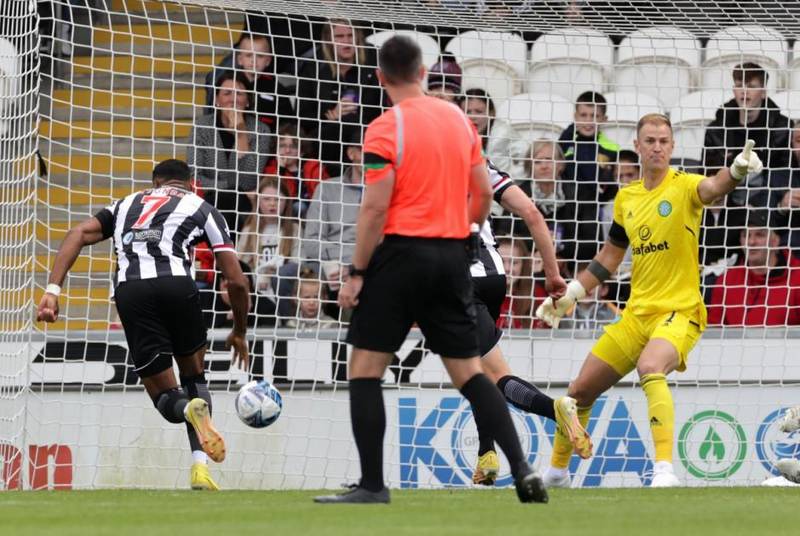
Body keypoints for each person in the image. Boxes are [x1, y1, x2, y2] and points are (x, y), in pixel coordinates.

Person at [313, 35, 547, 504]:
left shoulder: (383, 129)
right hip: (452, 257)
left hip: (401, 256)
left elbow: (375, 209)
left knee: (363, 368)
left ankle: (373, 486)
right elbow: (482, 192)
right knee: (471, 374)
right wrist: (467, 232)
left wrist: (358, 271)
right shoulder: (460, 122)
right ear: (422, 73)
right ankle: (522, 470)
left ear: (381, 79)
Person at [535, 114, 763, 488]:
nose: (657, 147)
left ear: (672, 147)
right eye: (650, 141)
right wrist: (572, 293)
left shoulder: (685, 186)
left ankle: (663, 470)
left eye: (664, 141)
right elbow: (609, 257)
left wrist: (736, 170)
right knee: (579, 391)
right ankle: (558, 472)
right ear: (638, 147)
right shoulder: (627, 198)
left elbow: (713, 187)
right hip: (636, 315)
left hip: (679, 311)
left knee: (650, 365)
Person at [36, 159, 251, 491]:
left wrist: (52, 290)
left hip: (132, 292)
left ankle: (185, 410)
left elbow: (77, 233)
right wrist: (239, 331)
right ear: (191, 184)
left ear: (154, 183)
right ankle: (200, 467)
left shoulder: (125, 204)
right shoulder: (201, 206)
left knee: (166, 397)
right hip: (179, 286)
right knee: (194, 376)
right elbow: (236, 281)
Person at [187, 71, 271, 235]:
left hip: (244, 204)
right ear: (217, 100)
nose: (233, 99)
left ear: (248, 100)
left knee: (236, 203)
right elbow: (195, 176)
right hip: (209, 199)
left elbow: (249, 181)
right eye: (227, 93)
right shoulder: (202, 127)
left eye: (239, 93)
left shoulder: (261, 131)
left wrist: (241, 133)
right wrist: (229, 187)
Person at [296, 18, 382, 176]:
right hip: (328, 140)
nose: (347, 42)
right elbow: (302, 116)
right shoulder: (313, 68)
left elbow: (385, 105)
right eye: (340, 37)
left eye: (351, 35)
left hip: (368, 136)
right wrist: (332, 115)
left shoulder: (375, 63)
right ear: (329, 40)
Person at [707, 210, 800, 326]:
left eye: (760, 235)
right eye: (746, 235)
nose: (751, 242)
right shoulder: (726, 281)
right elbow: (713, 331)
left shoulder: (797, 278)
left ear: (775, 241)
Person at [558, 91, 620, 260]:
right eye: (583, 115)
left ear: (603, 119)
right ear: (575, 117)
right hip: (568, 204)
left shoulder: (610, 148)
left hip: (594, 205)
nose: (588, 121)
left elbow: (610, 182)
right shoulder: (566, 140)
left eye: (594, 116)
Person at [703, 62, 790, 180]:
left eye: (751, 86)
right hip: (727, 193)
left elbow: (786, 175)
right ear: (734, 90)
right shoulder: (716, 130)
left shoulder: (782, 128)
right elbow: (705, 174)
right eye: (739, 86)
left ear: (763, 92)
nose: (744, 91)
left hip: (768, 195)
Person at [301, 128, 363, 291]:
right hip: (331, 262)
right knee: (290, 273)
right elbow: (312, 242)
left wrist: (353, 267)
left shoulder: (387, 191)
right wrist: (343, 262)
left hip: (371, 264)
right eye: (368, 151)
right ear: (351, 153)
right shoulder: (327, 189)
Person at [236, 176, 301, 321]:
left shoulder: (295, 230)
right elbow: (240, 264)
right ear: (258, 201)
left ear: (286, 202)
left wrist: (271, 273)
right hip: (256, 288)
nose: (272, 204)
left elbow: (297, 264)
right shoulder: (248, 230)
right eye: (266, 199)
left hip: (282, 287)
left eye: (278, 199)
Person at [204, 32, 295, 130]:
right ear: (239, 59)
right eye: (248, 55)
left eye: (260, 56)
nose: (254, 60)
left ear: (268, 60)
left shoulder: (277, 90)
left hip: (267, 141)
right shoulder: (226, 84)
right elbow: (213, 115)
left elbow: (286, 126)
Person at [262, 121, 330, 217]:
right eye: (282, 146)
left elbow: (325, 195)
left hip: (315, 214)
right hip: (285, 215)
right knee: (299, 207)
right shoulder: (271, 170)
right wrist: (280, 170)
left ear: (301, 151)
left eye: (293, 146)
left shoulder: (314, 167)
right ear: (276, 149)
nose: (287, 151)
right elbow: (273, 197)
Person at [462, 88, 526, 180]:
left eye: (479, 111)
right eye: (467, 112)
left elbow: (527, 158)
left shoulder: (503, 132)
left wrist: (506, 183)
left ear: (491, 113)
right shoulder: (458, 135)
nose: (472, 117)